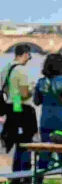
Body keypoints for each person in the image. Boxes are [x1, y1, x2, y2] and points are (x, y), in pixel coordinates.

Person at [33, 53, 62, 157]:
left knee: (45, 151)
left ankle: (41, 170)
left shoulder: (41, 82)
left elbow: (36, 101)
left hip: (46, 120)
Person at [0, 44, 35, 176]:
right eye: (29, 55)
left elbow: (9, 92)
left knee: (16, 142)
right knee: (26, 142)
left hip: (11, 106)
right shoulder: (22, 70)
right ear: (25, 54)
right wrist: (33, 90)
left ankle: (15, 174)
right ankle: (24, 174)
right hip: (22, 107)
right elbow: (24, 93)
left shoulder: (6, 68)